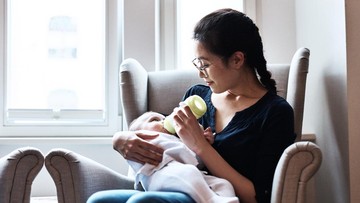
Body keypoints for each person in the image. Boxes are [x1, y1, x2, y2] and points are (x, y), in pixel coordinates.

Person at [87, 8, 295, 203]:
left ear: (237, 60)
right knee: (98, 200)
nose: (200, 72)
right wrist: (121, 138)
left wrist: (202, 147)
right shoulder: (197, 96)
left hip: (218, 197)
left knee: (142, 202)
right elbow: (164, 136)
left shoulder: (275, 113)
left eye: (205, 64)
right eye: (197, 64)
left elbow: (257, 196)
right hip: (175, 187)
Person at [125, 111, 239, 203]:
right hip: (161, 176)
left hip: (193, 176)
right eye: (155, 120)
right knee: (189, 172)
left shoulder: (177, 141)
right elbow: (135, 173)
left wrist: (203, 142)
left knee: (223, 183)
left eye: (163, 118)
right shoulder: (146, 144)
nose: (164, 120)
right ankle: (211, 200)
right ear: (138, 134)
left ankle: (228, 200)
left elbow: (198, 162)